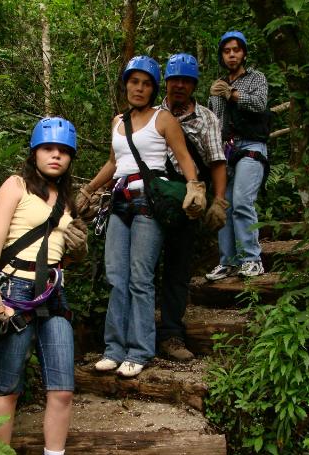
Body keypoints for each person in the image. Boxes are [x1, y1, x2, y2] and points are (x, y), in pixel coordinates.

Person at [0, 117, 87, 455]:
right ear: (35, 152)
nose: (56, 155)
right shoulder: (16, 185)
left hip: (53, 293)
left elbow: (64, 254)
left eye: (63, 151)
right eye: (48, 148)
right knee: (7, 388)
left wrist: (79, 248)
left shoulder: (69, 198)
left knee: (62, 388)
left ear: (70, 158)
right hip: (12, 292)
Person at [76, 55, 206, 377]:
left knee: (140, 277)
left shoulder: (164, 119)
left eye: (146, 83)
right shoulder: (118, 121)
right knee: (116, 277)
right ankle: (114, 349)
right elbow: (113, 163)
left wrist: (194, 186)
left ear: (153, 89)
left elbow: (184, 157)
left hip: (150, 202)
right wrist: (88, 190)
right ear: (126, 84)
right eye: (134, 81)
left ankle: (140, 350)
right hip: (119, 202)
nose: (139, 88)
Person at [158, 53, 228, 361]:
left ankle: (172, 333)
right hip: (149, 198)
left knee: (177, 268)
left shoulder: (206, 118)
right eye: (175, 80)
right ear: (167, 82)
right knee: (141, 270)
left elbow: (216, 161)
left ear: (194, 85)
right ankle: (140, 335)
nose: (180, 86)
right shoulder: (150, 113)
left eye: (187, 81)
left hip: (188, 201)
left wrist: (219, 201)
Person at [206, 30, 269, 280]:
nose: (232, 55)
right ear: (222, 55)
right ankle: (228, 261)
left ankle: (252, 259)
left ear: (243, 53)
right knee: (224, 204)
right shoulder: (218, 83)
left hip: (252, 145)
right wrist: (214, 98)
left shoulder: (256, 78)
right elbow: (215, 121)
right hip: (227, 150)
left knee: (242, 201)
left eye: (236, 50)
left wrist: (232, 94)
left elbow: (259, 103)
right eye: (227, 51)